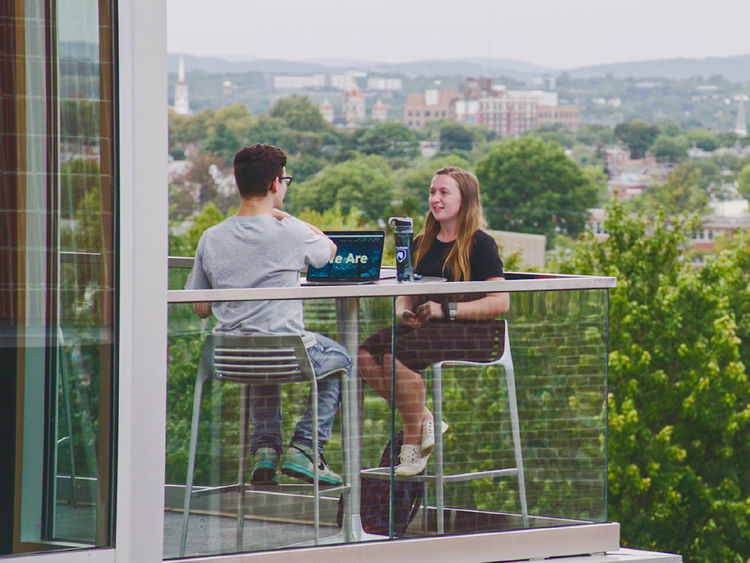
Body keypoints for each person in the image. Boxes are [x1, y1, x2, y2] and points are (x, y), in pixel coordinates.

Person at [185, 143, 352, 486]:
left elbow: (201, 307)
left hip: (227, 356)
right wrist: (286, 217)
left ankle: (265, 450)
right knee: (341, 358)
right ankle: (305, 448)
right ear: (276, 184)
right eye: (285, 180)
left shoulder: (211, 237)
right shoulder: (288, 232)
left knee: (261, 352)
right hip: (285, 352)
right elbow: (328, 250)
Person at [359, 166, 509, 476]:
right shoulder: (420, 242)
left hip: (474, 332)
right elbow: (406, 293)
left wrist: (447, 310)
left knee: (394, 354)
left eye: (444, 192)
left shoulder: (480, 244)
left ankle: (413, 440)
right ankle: (424, 417)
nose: (435, 199)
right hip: (427, 329)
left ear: (464, 200)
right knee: (364, 354)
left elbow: (500, 301)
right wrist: (403, 310)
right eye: (432, 192)